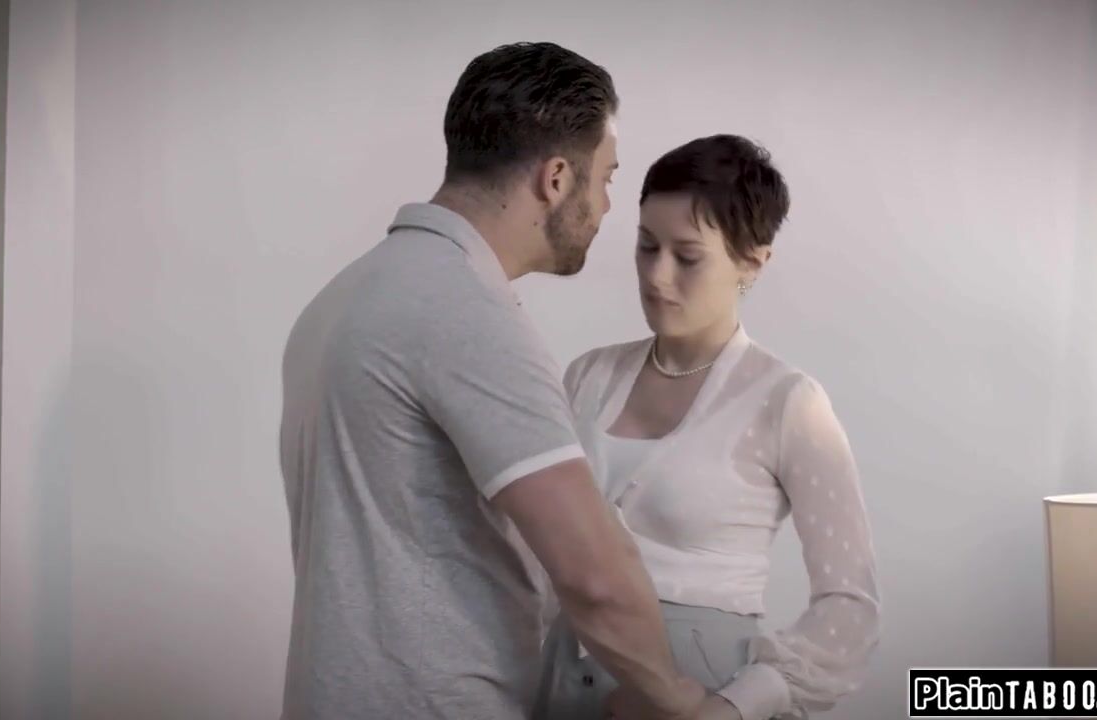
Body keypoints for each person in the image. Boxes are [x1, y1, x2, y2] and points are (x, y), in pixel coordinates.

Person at [278, 42, 715, 720]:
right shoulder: (460, 309)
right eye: (606, 178)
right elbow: (592, 573)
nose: (606, 206)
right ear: (556, 178)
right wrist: (678, 698)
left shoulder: (346, 295)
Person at [534, 135, 881, 720]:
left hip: (701, 693)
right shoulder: (588, 377)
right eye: (647, 246)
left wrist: (733, 706)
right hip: (563, 683)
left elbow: (851, 605)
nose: (657, 275)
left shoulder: (787, 402)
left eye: (688, 257)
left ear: (753, 262)